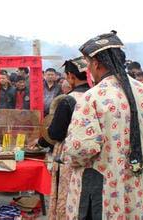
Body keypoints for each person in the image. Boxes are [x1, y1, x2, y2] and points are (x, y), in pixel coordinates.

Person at [62, 31, 143, 219]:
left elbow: (80, 149)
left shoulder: (92, 98)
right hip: (140, 186)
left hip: (102, 189)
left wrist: (65, 156)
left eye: (88, 64)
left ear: (95, 64)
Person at [46, 57, 91, 219]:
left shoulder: (68, 100)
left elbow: (56, 133)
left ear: (71, 76)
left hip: (70, 154)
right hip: (94, 155)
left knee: (68, 190)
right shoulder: (99, 96)